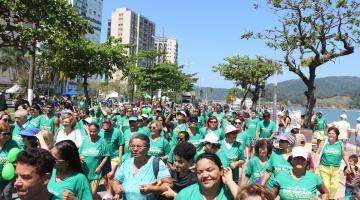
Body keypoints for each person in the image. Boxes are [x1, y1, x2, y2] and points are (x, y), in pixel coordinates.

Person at [112, 134, 173, 200]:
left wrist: (153, 189)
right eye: (132, 146)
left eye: (139, 146)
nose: (135, 149)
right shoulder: (126, 163)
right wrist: (116, 187)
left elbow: (169, 184)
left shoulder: (157, 163)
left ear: (148, 147)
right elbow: (115, 181)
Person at [315, 126, 350, 199]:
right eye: (329, 133)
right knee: (326, 186)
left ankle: (330, 198)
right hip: (324, 168)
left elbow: (344, 155)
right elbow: (317, 153)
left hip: (336, 169)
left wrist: (348, 166)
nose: (331, 135)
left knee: (334, 186)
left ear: (337, 135)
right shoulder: (324, 142)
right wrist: (315, 163)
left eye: (333, 134)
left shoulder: (340, 144)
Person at [79, 122, 110, 200]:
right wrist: (80, 157)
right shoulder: (85, 141)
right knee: (89, 194)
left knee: (92, 193)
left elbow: (106, 155)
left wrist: (100, 167)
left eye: (94, 131)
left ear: (98, 130)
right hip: (84, 171)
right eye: (90, 131)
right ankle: (99, 198)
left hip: (95, 172)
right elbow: (79, 153)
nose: (92, 133)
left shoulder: (102, 141)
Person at [99, 120, 124, 200]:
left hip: (114, 156)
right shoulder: (101, 132)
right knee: (105, 177)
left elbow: (120, 145)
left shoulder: (117, 132)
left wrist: (120, 157)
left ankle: (110, 194)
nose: (105, 130)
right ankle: (109, 191)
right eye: (104, 128)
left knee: (110, 175)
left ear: (111, 125)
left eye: (107, 128)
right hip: (104, 157)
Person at [0, 122, 19, 200]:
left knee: (7, 195)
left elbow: (18, 158)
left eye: (9, 133)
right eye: (4, 134)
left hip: (8, 178)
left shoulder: (13, 144)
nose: (7, 136)